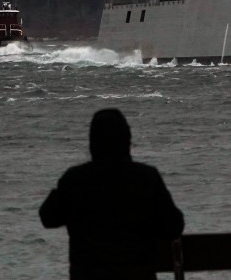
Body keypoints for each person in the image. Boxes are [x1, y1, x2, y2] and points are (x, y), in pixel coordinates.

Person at [39, 108, 185, 280]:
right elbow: (174, 226)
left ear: (93, 143)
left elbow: (48, 217)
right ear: (127, 141)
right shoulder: (147, 178)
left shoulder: (75, 179)